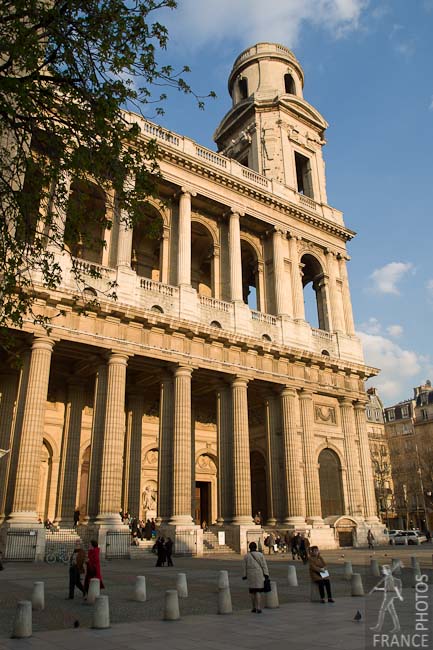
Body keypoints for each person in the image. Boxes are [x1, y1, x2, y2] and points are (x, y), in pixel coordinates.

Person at [370, 565, 403, 633]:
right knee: (392, 612)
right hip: (388, 594)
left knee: (382, 611)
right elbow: (387, 588)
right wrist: (378, 589)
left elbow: (395, 587)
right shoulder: (387, 577)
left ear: (388, 570)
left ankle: (378, 627)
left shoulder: (389, 578)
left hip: (389, 596)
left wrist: (399, 596)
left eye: (384, 569)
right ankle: (397, 627)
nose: (382, 570)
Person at [242, 541, 270, 614]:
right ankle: (258, 607)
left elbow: (244, 567)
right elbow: (264, 565)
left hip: (250, 574)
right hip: (259, 573)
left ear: (249, 548)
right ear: (256, 547)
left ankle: (253, 607)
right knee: (258, 591)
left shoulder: (246, 556)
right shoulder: (260, 555)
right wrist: (266, 574)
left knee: (252, 591)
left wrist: (244, 575)